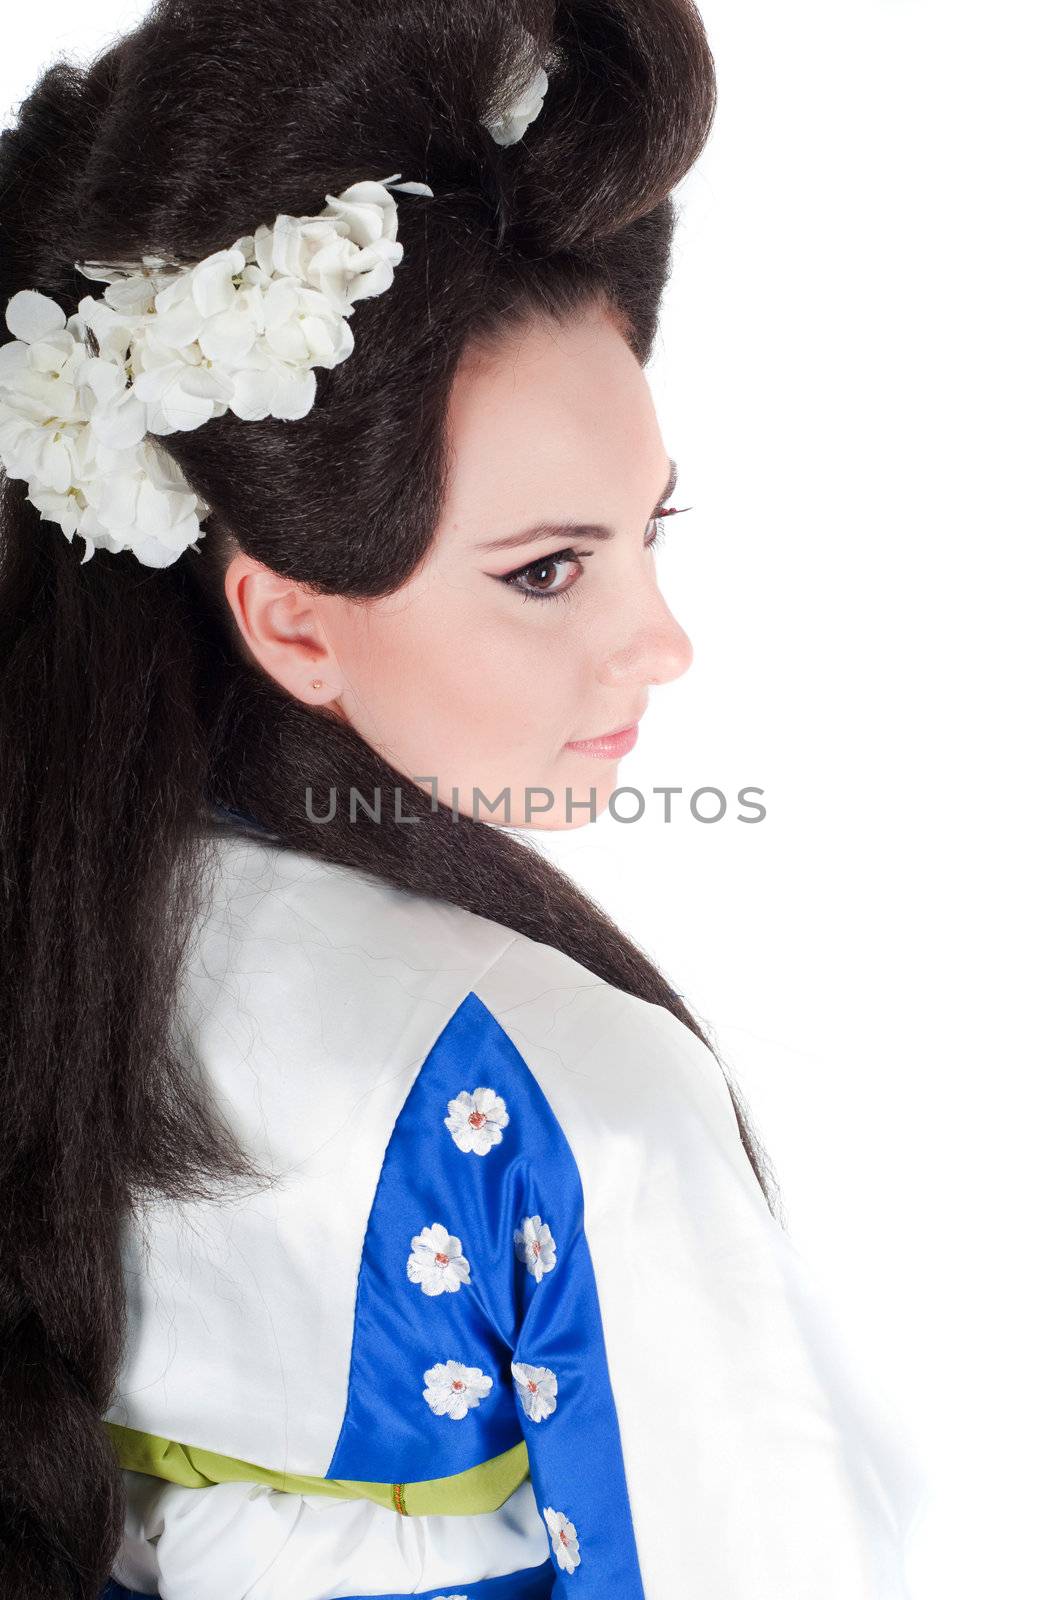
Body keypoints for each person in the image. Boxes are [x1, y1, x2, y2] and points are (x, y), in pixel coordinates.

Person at [0, 1, 924, 1596]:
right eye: (549, 568)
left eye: (654, 531)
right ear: (288, 612)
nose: (665, 643)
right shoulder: (562, 1095)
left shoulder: (51, 937)